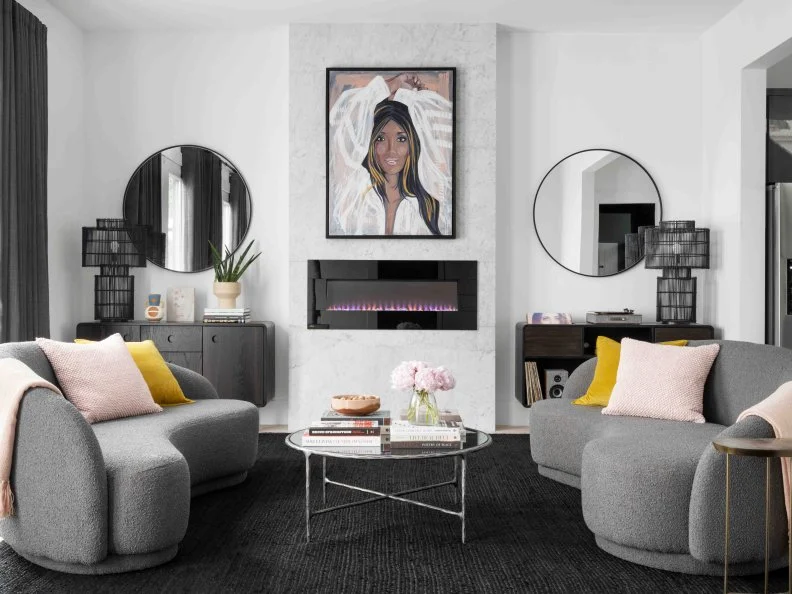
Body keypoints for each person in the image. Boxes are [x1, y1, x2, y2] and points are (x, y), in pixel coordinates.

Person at [328, 73, 453, 236]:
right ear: (370, 143)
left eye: (401, 138)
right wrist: (390, 85)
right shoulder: (356, 194)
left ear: (412, 144)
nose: (391, 150)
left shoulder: (428, 205)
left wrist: (408, 97)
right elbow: (343, 123)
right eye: (380, 138)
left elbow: (445, 116)